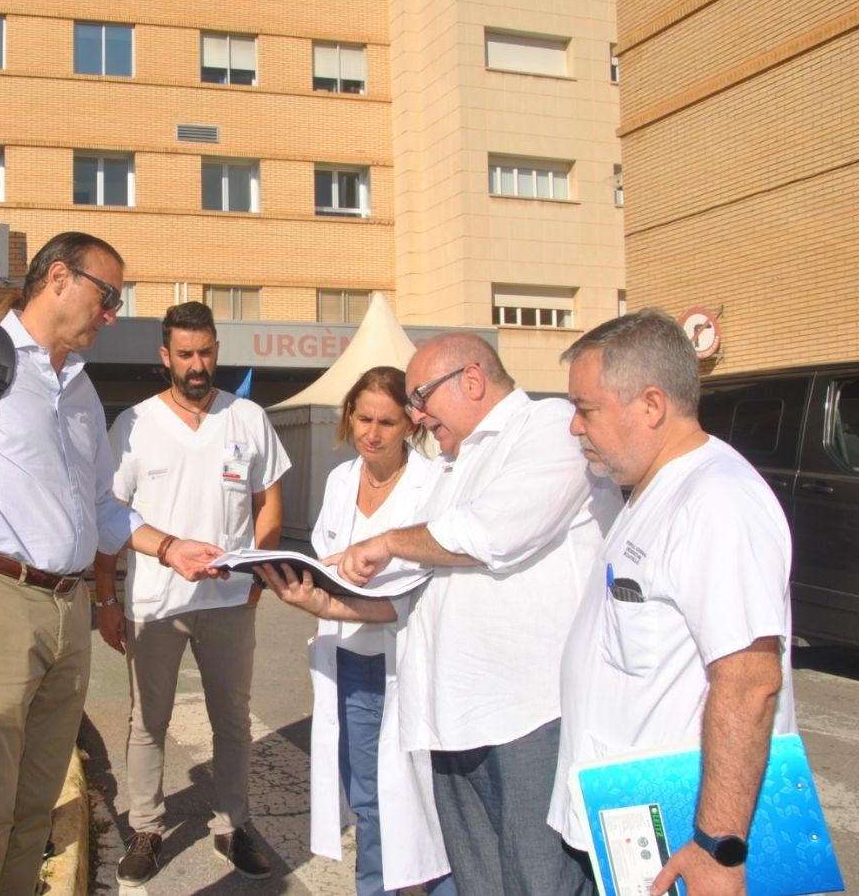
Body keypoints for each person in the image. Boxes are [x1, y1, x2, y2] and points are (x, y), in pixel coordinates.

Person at [0, 232, 223, 896]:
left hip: (68, 607)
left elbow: (102, 506)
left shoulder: (81, 390)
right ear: (59, 277)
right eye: (109, 295)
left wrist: (170, 547)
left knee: (36, 800)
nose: (113, 313)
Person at [257, 332, 621, 895]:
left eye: (421, 397)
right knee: (476, 876)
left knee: (536, 877)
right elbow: (411, 594)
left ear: (471, 380)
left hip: (528, 713)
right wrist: (322, 600)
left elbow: (494, 534)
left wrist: (389, 542)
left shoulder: (547, 428)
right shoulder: (457, 465)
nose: (418, 416)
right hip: (454, 716)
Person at [549, 308, 796, 895]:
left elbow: (749, 683)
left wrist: (718, 849)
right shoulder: (651, 491)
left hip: (685, 837)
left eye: (585, 409)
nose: (574, 429)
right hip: (634, 824)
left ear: (651, 405)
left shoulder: (717, 501)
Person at [93, 301, 290, 887]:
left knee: (232, 720)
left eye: (205, 352)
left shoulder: (248, 418)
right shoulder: (132, 424)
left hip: (229, 603)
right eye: (185, 354)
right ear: (165, 357)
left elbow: (269, 503)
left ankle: (232, 824)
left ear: (215, 351)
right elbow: (111, 515)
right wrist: (106, 597)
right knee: (146, 721)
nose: (197, 364)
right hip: (154, 603)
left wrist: (257, 574)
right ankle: (148, 827)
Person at [307, 367, 455, 896]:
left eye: (387, 422)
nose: (372, 432)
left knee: (420, 806)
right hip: (346, 658)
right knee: (367, 798)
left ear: (411, 425)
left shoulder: (433, 485)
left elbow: (419, 588)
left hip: (401, 664)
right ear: (349, 416)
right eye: (364, 418)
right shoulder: (341, 479)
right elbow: (331, 557)